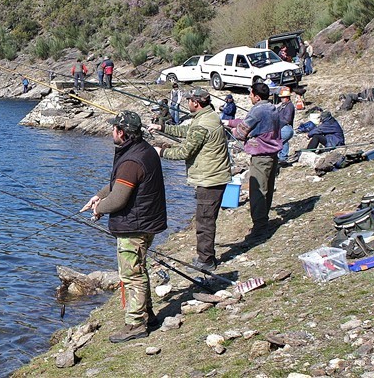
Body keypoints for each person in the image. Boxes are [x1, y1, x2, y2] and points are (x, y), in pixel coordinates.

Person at [80, 111, 167, 343]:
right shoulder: (143, 150)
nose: (111, 132)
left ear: (121, 132)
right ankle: (149, 316)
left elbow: (118, 199)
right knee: (139, 270)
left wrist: (99, 210)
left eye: (114, 129)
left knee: (131, 276)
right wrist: (97, 197)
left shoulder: (131, 160)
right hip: (146, 222)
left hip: (135, 226)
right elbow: (117, 186)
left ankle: (136, 324)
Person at [150, 88, 231, 272]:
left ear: (195, 102)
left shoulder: (203, 124)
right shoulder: (207, 116)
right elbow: (187, 131)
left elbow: (184, 152)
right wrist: (162, 127)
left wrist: (159, 152)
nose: (187, 103)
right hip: (213, 176)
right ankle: (205, 256)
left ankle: (206, 261)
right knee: (206, 218)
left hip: (210, 179)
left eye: (189, 100)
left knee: (204, 221)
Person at [225, 82, 282, 237]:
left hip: (261, 157)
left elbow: (240, 133)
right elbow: (248, 122)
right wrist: (229, 122)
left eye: (250, 94)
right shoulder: (272, 108)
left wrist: (231, 129)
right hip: (272, 155)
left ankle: (259, 226)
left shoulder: (258, 111)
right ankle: (263, 220)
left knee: (257, 192)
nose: (249, 96)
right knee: (267, 189)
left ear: (256, 96)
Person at [277, 87, 295, 163]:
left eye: (283, 98)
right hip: (284, 128)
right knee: (283, 142)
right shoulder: (284, 105)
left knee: (277, 141)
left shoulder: (289, 106)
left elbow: (287, 120)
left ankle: (281, 157)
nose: (282, 99)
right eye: (281, 98)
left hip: (286, 128)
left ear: (287, 98)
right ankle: (283, 157)